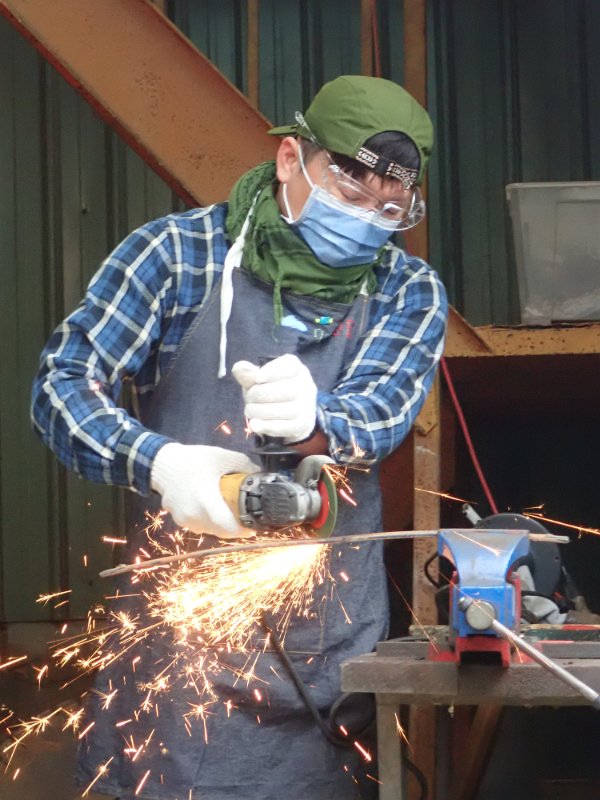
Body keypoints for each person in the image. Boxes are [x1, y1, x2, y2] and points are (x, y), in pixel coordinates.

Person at [31, 75, 447, 800]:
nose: (365, 219)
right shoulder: (176, 255)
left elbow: (378, 414)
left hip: (326, 650)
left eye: (389, 209)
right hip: (180, 647)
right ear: (290, 159)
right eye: (349, 191)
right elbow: (62, 386)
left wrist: (317, 423)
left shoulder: (407, 290)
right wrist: (160, 462)